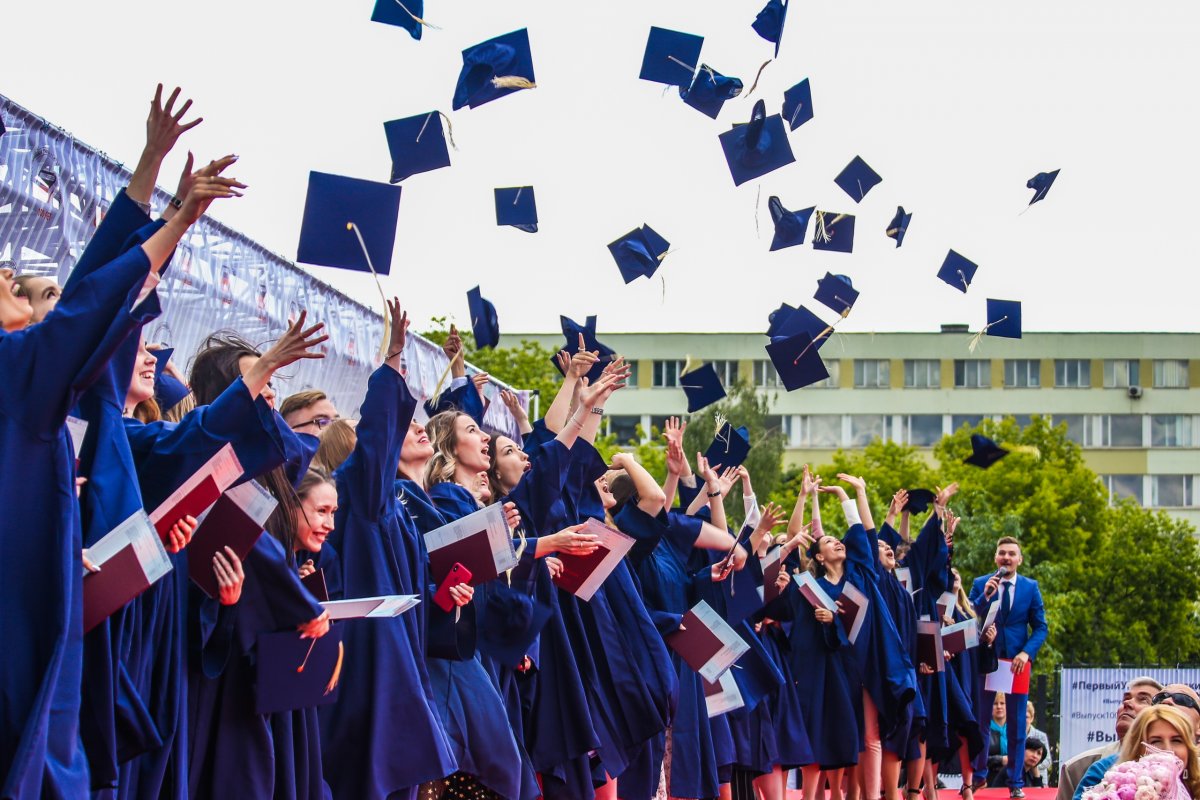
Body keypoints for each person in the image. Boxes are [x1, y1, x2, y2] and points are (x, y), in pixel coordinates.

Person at [970, 536, 1049, 798]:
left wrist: (1027, 653)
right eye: (1002, 553)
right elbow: (968, 613)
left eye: (1011, 554)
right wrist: (985, 596)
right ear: (995, 558)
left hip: (1016, 663)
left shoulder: (1030, 587)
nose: (1006, 558)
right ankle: (978, 776)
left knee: (1017, 723)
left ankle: (1016, 783)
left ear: (1019, 559)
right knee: (981, 720)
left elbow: (1040, 626)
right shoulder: (982, 583)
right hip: (988, 660)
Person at [1057, 677, 1163, 800]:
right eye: (1126, 698)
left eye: (1143, 699)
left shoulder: (1178, 768)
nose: (1127, 703)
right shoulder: (1076, 768)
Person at [1078, 705, 1200, 800]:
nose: (1168, 750)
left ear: (1189, 748)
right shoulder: (1114, 790)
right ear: (1137, 750)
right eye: (1156, 741)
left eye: (1177, 740)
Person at [1025, 702, 1052, 787]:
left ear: (1032, 718)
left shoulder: (1041, 736)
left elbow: (1047, 761)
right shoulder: (1012, 736)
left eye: (1026, 717)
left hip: (1040, 781)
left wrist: (1030, 765)